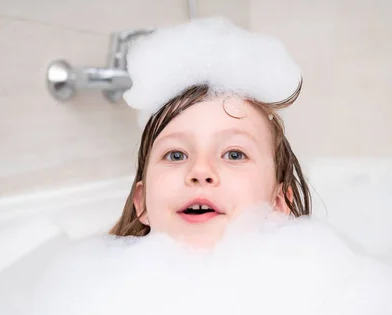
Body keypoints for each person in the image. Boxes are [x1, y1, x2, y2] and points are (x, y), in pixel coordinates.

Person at [110, 18, 311, 248]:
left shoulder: (314, 281)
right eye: (176, 155)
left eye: (234, 154)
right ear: (142, 203)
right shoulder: (100, 279)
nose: (200, 171)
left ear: (277, 204)